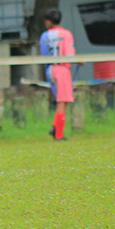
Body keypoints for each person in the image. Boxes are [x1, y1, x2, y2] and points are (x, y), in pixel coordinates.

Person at [40, 8, 76, 141]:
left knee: (63, 100)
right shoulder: (66, 34)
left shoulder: (44, 36)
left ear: (49, 22)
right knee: (63, 101)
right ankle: (58, 134)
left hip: (50, 68)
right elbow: (70, 53)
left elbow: (43, 54)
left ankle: (55, 127)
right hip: (62, 68)